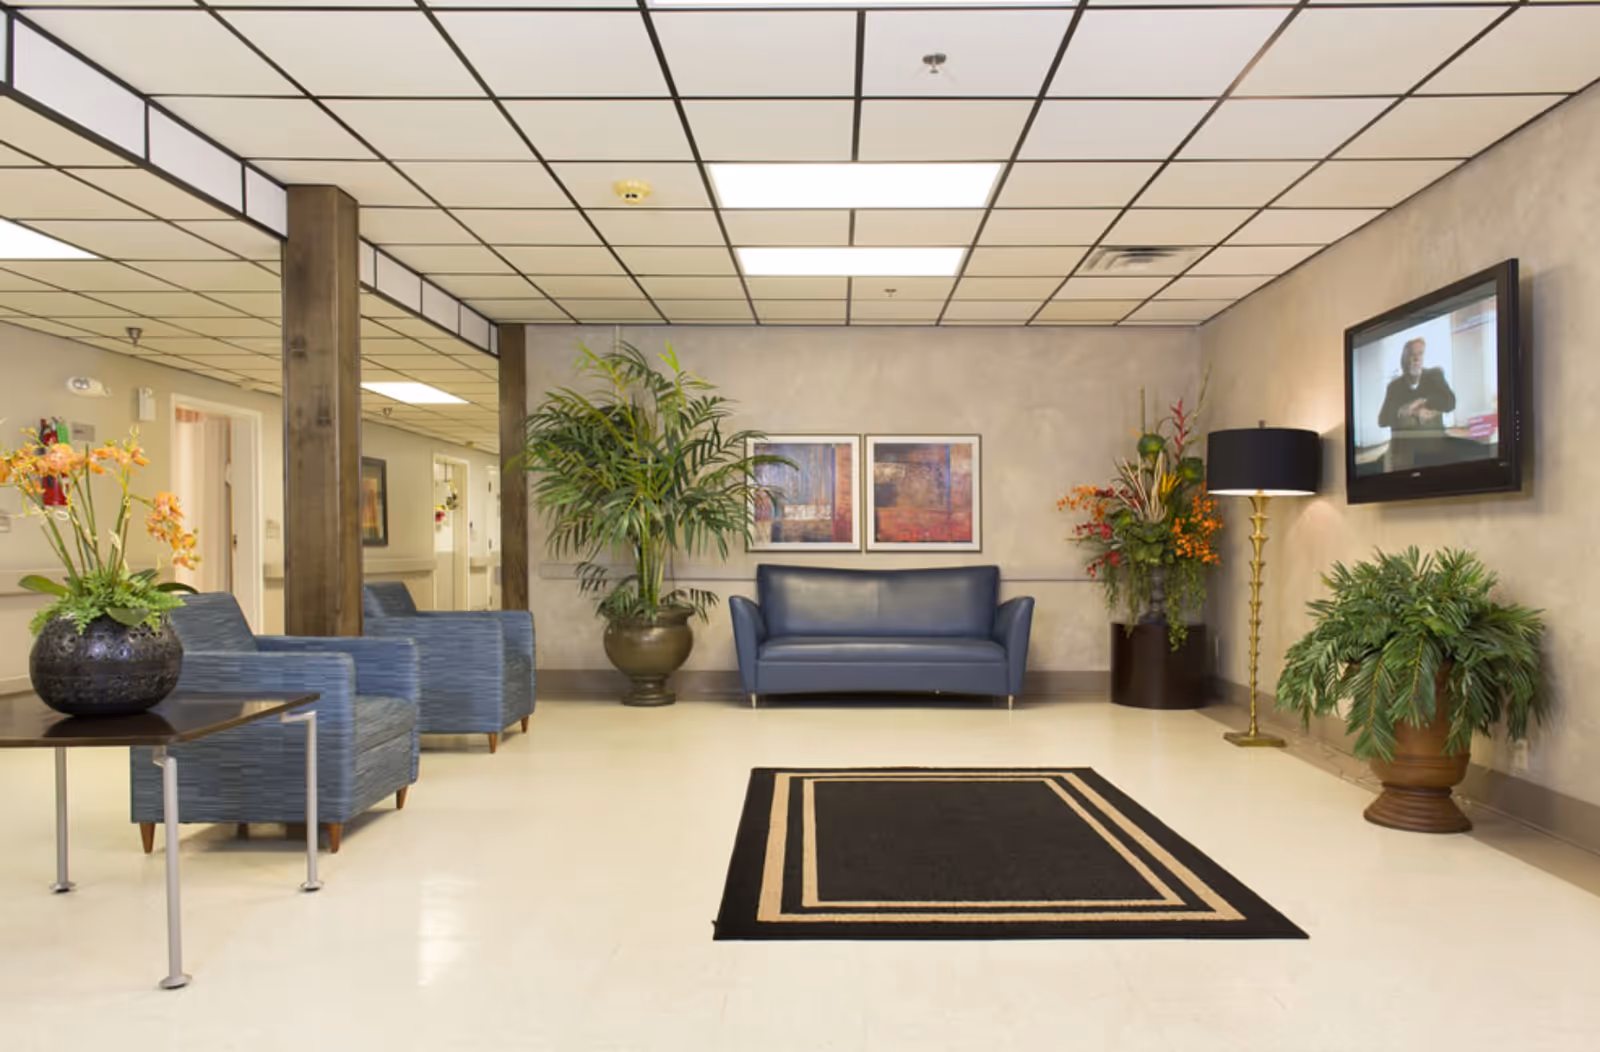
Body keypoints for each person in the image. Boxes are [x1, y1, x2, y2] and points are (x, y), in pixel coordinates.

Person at [1378, 337, 1455, 431]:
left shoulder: (1435, 375)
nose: (1416, 359)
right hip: (1406, 441)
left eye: (1420, 354)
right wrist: (1407, 411)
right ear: (1404, 360)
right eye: (1412, 355)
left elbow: (1450, 402)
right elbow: (1382, 420)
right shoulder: (1394, 386)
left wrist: (1422, 402)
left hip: (1433, 439)